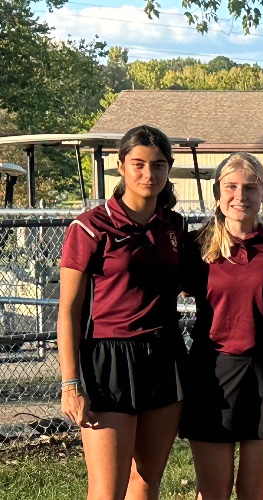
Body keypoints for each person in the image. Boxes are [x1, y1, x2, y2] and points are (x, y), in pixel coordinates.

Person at [57, 125, 188, 500]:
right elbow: (68, 311)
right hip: (108, 360)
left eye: (159, 165)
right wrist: (70, 383)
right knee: (107, 489)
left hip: (164, 356)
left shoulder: (175, 227)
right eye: (139, 164)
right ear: (120, 166)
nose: (149, 174)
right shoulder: (90, 226)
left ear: (169, 169)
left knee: (146, 480)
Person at [178, 153, 263, 500]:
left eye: (250, 187)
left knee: (255, 492)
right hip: (212, 371)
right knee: (213, 492)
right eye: (231, 186)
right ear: (218, 192)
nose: (240, 196)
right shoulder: (195, 246)